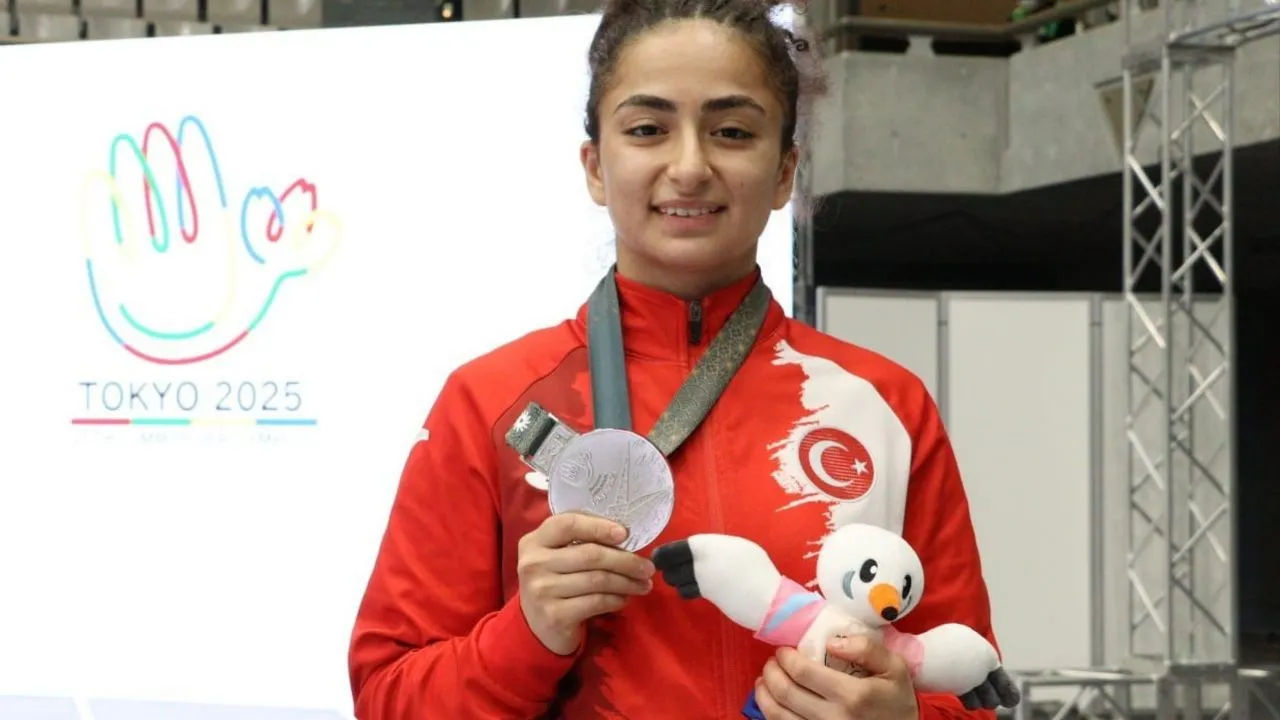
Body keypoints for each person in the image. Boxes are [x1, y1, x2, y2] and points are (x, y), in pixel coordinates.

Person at [348, 1, 1008, 718]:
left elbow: (970, 686)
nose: (690, 167)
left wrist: (903, 716)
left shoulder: (884, 403)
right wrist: (527, 635)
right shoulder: (492, 403)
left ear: (784, 171)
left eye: (732, 131)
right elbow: (388, 697)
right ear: (596, 166)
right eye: (647, 129)